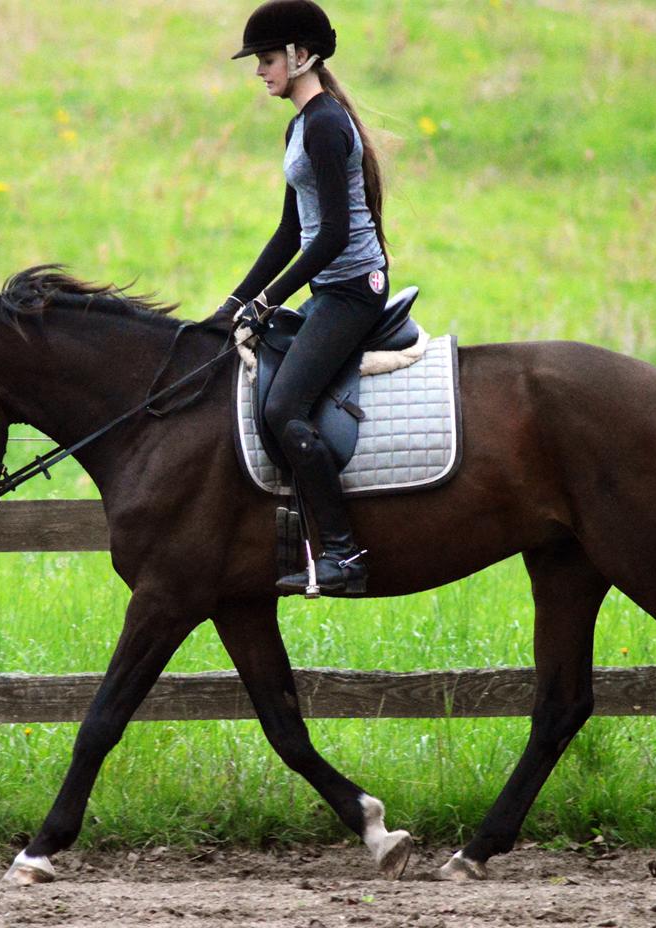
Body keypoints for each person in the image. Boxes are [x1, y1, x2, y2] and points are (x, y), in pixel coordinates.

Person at [219, 0, 389, 596]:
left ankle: (344, 555)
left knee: (282, 410)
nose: (259, 72)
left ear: (299, 56)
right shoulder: (299, 124)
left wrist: (266, 303)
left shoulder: (324, 124)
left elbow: (338, 235)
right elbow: (292, 232)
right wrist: (234, 302)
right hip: (327, 287)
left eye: (266, 60)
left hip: (353, 291)